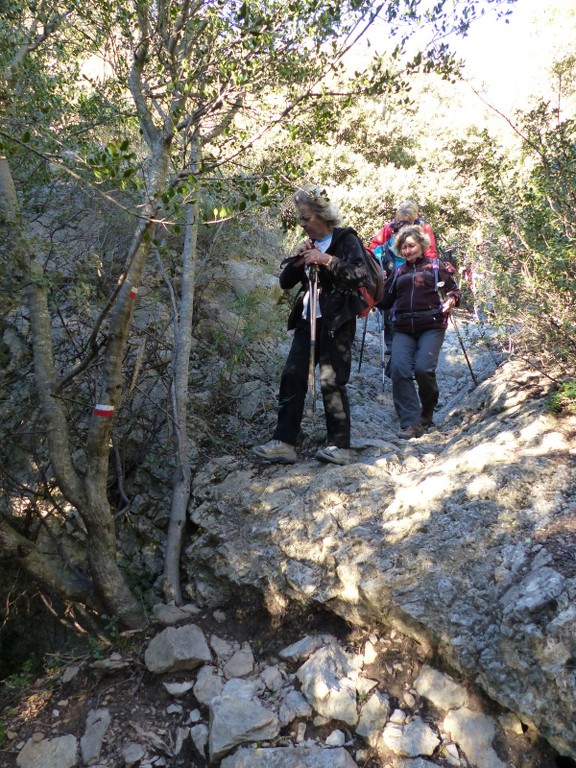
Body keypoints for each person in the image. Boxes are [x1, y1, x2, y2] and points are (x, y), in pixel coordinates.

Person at [252, 184, 368, 466]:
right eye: (301, 218)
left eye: (305, 218)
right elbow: (285, 283)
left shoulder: (345, 240)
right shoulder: (309, 246)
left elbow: (359, 273)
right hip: (308, 320)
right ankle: (284, 442)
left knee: (331, 381)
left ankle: (339, 445)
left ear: (323, 216)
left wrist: (327, 260)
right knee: (292, 377)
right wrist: (299, 261)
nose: (302, 223)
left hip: (337, 322)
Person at [380, 224, 461, 439]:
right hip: (403, 328)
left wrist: (452, 299)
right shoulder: (398, 272)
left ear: (421, 245)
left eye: (411, 246)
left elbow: (455, 290)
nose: (407, 251)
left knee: (423, 370)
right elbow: (385, 300)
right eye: (403, 248)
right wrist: (371, 288)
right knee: (398, 368)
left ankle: (427, 409)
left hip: (432, 326)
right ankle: (411, 422)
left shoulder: (435, 266)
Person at [369, 200, 438, 355]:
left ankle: (410, 343)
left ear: (414, 219)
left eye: (407, 222)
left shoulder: (424, 228)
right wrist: (377, 267)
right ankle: (392, 344)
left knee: (410, 304)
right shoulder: (389, 227)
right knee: (388, 306)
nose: (402, 225)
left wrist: (428, 272)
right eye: (400, 222)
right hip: (391, 271)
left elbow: (430, 252)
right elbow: (375, 247)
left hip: (415, 272)